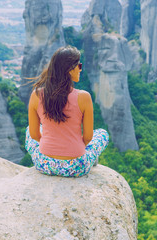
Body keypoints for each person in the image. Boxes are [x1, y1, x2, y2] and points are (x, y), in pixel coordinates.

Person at [25, 46, 109, 177]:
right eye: (79, 66)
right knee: (102, 134)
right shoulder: (84, 97)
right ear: (70, 69)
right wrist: (72, 148)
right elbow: (88, 137)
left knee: (29, 130)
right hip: (76, 166)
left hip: (44, 164)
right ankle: (91, 159)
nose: (81, 69)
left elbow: (34, 135)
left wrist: (51, 147)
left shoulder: (36, 95)